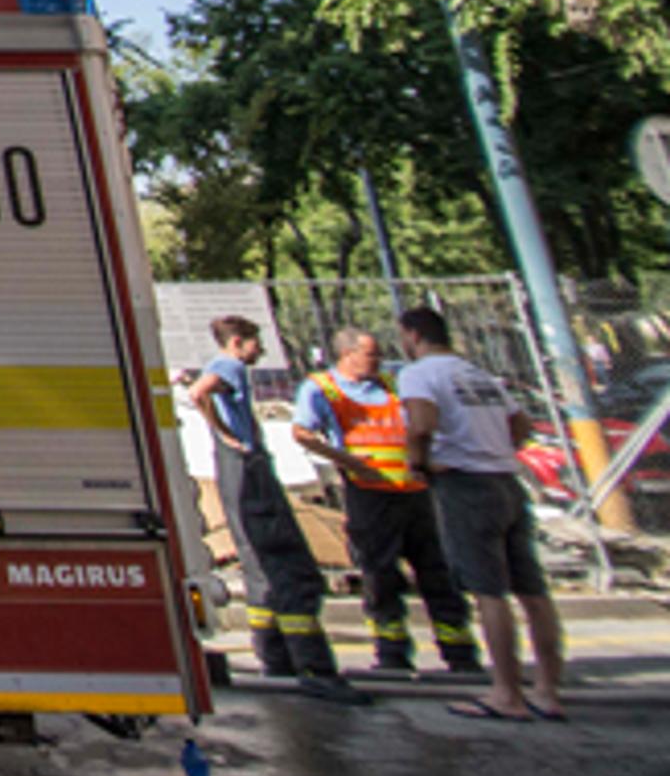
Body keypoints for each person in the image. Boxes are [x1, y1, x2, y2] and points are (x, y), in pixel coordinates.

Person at [396, 306, 565, 723]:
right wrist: (496, 449)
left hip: (465, 483)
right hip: (506, 481)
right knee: (533, 591)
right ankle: (547, 690)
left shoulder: (419, 373)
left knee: (489, 592)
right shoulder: (476, 374)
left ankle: (506, 691)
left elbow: (421, 423)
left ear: (413, 336)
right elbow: (521, 423)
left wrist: (421, 463)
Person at [187, 315, 365, 703]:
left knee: (260, 571)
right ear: (237, 341)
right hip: (250, 474)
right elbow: (199, 392)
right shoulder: (228, 365)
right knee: (289, 567)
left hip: (239, 478)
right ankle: (314, 667)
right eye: (255, 342)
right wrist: (228, 436)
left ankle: (276, 659)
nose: (261, 350)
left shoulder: (227, 367)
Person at [293, 328, 481, 676]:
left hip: (415, 491)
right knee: (380, 574)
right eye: (370, 355)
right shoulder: (322, 389)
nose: (377, 361)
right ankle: (392, 653)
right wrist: (348, 461)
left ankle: (460, 651)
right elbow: (303, 432)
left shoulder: (392, 385)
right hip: (370, 492)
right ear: (347, 355)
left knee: (438, 573)